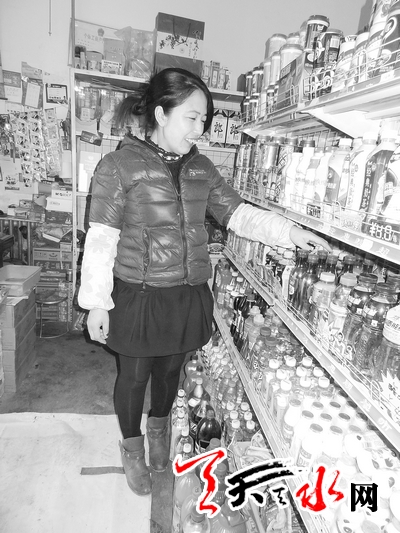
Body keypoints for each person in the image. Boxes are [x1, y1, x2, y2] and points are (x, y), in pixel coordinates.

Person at [78, 67, 331, 497]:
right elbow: (102, 238)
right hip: (138, 293)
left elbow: (238, 214)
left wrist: (288, 231)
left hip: (186, 293)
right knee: (134, 377)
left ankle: (159, 432)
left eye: (204, 120)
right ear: (161, 114)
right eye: (191, 118)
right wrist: (97, 302)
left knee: (170, 372)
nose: (199, 129)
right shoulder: (117, 166)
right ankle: (132, 447)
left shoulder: (201, 168)